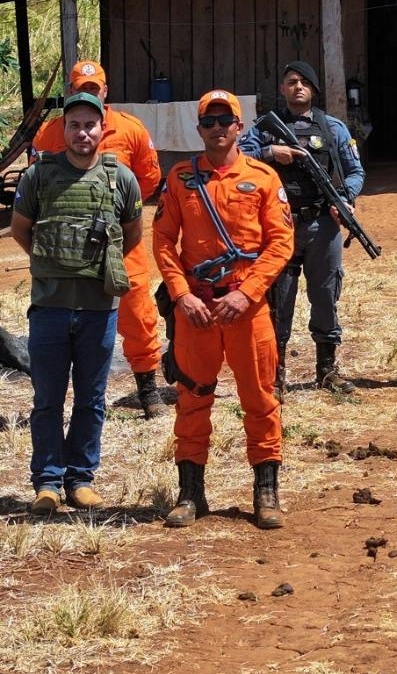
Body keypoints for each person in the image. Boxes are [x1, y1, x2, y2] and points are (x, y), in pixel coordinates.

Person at [153, 90, 294, 529]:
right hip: (196, 308)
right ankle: (190, 494)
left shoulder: (265, 178)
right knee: (192, 399)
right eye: (209, 122)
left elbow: (281, 242)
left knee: (260, 398)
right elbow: (162, 242)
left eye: (225, 120)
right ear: (200, 130)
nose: (217, 128)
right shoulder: (179, 178)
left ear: (239, 127)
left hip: (245, 309)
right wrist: (181, 295)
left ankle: (265, 492)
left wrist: (248, 292)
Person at [11, 92, 143, 513]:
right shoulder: (38, 175)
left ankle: (81, 479)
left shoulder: (120, 178)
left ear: (102, 128)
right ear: (63, 130)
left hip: (98, 310)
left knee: (91, 398)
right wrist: (53, 263)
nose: (82, 131)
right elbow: (21, 229)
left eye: (90, 124)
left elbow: (133, 234)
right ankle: (47, 483)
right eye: (74, 124)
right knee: (47, 400)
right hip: (49, 308)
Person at [32, 60, 166, 419]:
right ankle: (67, 400)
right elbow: (35, 184)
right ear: (70, 90)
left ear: (105, 91)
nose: (87, 93)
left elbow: (148, 180)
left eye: (94, 88)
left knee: (137, 311)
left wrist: (119, 210)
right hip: (67, 244)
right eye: (80, 88)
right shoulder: (49, 132)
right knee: (69, 317)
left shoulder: (130, 129)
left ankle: (148, 390)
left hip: (120, 241)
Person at [239, 60, 366, 399]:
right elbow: (237, 157)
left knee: (326, 294)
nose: (297, 86)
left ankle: (327, 369)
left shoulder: (333, 128)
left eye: (304, 82)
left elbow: (356, 171)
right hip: (278, 226)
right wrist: (270, 152)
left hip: (322, 223)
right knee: (278, 300)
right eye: (291, 81)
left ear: (314, 89)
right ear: (282, 89)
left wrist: (345, 198)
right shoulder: (266, 129)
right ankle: (276, 373)